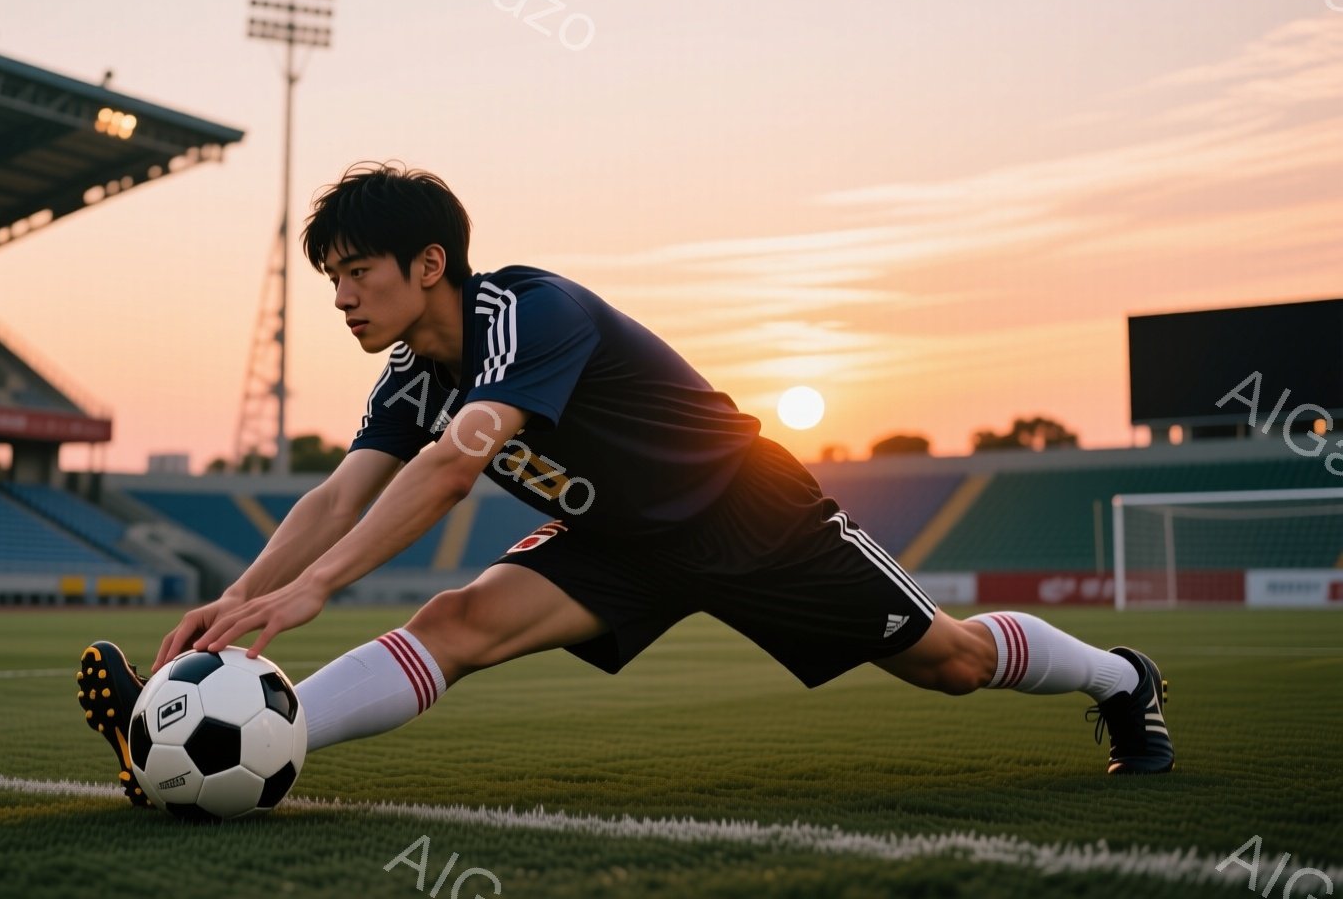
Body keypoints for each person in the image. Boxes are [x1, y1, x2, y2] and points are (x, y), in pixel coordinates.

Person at [77, 163, 1172, 808]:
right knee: (454, 619)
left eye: (356, 273)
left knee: (951, 663)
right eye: (331, 282)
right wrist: (239, 603)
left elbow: (459, 461)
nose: (342, 301)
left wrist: (311, 594)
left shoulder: (528, 310)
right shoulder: (410, 372)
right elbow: (333, 496)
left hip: (750, 516)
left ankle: (1120, 676)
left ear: (429, 265)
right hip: (617, 541)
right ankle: (204, 744)